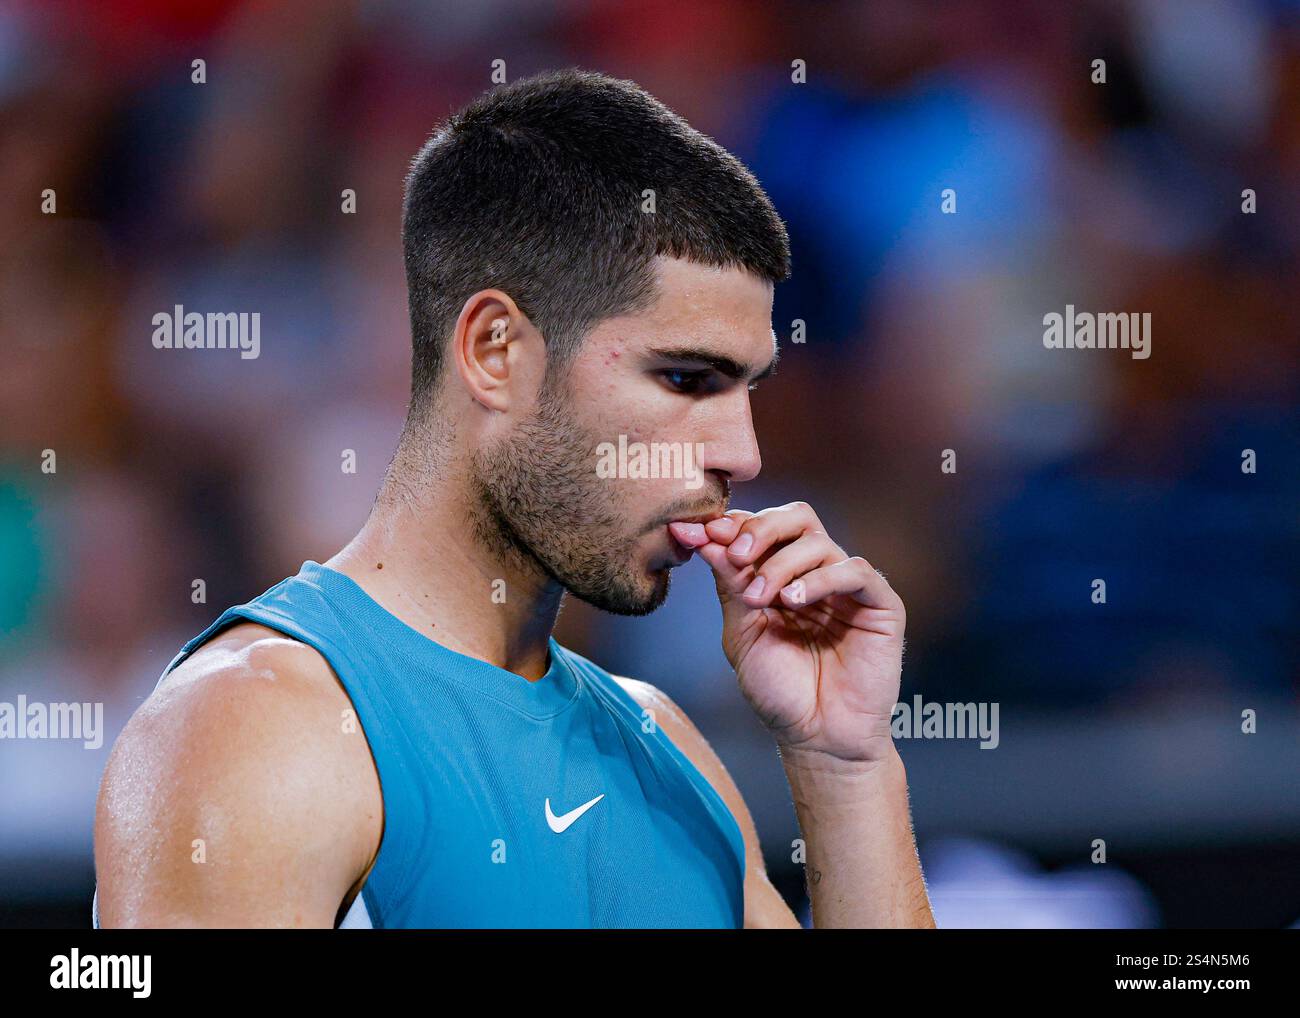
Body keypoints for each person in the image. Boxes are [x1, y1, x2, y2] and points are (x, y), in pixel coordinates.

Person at [93, 68, 935, 929]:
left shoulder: (670, 749)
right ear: (496, 351)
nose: (743, 453)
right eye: (686, 377)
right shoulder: (252, 727)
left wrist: (845, 767)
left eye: (747, 389)